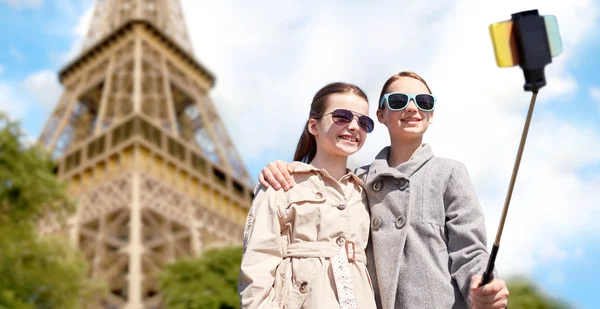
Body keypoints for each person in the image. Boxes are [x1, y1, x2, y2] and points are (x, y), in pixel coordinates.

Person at [256, 72, 510, 309]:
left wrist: (483, 287)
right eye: (398, 101)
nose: (412, 107)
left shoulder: (449, 172)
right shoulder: (355, 182)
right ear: (380, 116)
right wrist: (283, 170)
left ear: (431, 114)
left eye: (423, 101)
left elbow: (469, 250)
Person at [238, 82, 378, 309]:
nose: (354, 126)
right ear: (314, 125)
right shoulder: (282, 183)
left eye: (364, 122)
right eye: (342, 116)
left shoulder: (367, 193)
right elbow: (258, 266)